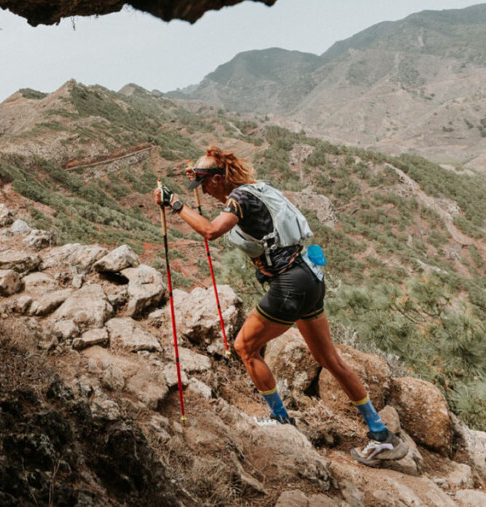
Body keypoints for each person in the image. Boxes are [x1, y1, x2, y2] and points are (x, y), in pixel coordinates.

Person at [156, 146, 408, 466]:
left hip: (288, 284)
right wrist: (199, 175)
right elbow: (225, 202)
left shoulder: (239, 200)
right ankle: (381, 433)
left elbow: (210, 231)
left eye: (206, 184)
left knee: (245, 347)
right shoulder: (255, 189)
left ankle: (280, 418)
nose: (204, 190)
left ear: (219, 180)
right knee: (328, 358)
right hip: (308, 275)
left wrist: (174, 202)